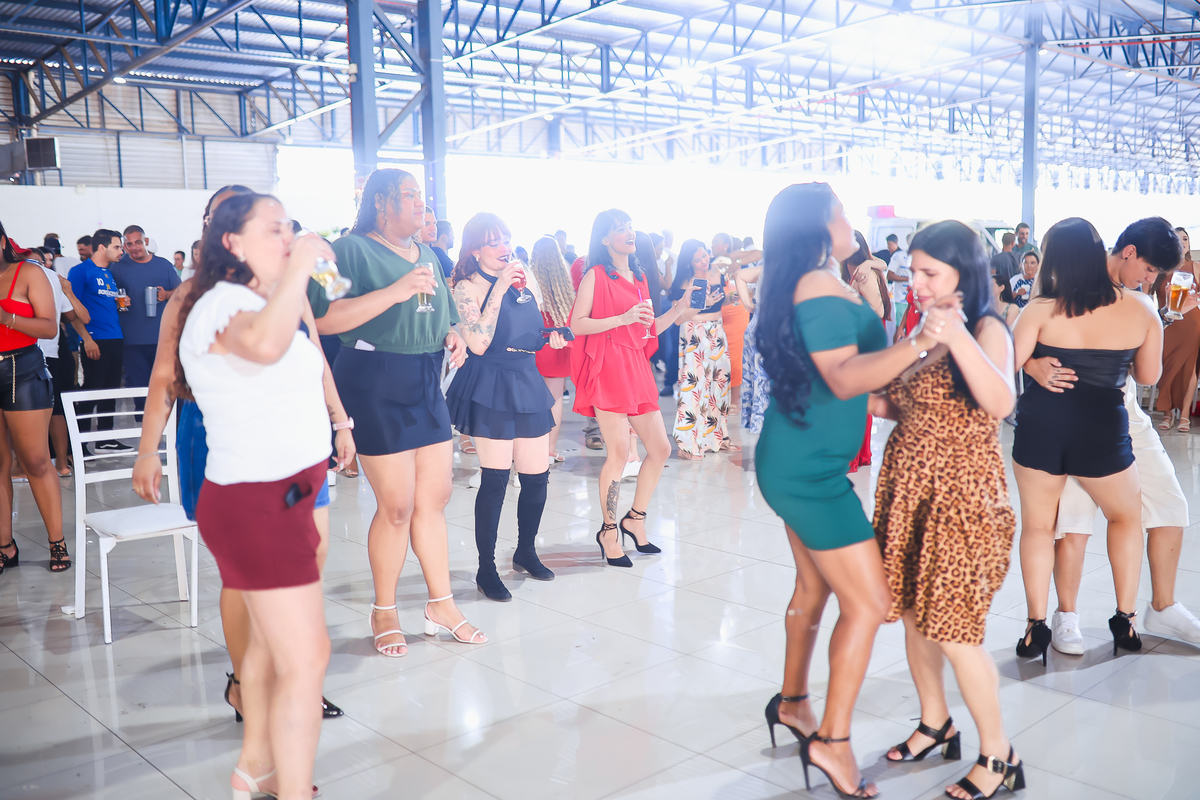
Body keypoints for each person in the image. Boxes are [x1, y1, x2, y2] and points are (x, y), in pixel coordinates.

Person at [754, 183, 950, 800]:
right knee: (869, 602)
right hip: (808, 473)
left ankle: (793, 703)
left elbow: (844, 385)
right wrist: (920, 341)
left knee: (814, 589)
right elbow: (843, 378)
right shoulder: (817, 286)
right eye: (839, 212)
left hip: (799, 456)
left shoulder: (815, 281)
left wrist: (900, 402)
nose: (848, 221)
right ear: (817, 226)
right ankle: (832, 742)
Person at [132, 184, 346, 734]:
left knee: (308, 553)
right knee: (245, 571)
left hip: (295, 436)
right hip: (217, 429)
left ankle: (288, 669)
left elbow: (316, 355)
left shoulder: (287, 285)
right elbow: (163, 375)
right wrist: (148, 450)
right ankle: (248, 683)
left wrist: (340, 419)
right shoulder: (193, 296)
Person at [872, 221, 1024, 800]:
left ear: (964, 273)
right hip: (911, 495)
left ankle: (1000, 755)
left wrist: (955, 336)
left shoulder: (985, 327)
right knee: (914, 616)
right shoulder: (925, 327)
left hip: (961, 504)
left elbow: (1001, 401)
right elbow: (906, 405)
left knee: (956, 632)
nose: (916, 282)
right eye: (913, 270)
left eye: (929, 272)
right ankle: (936, 723)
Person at [309, 168, 480, 654]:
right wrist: (396, 291)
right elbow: (323, 318)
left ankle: (441, 603)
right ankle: (384, 608)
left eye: (421, 195)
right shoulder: (344, 251)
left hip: (424, 379)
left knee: (436, 497)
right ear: (381, 202)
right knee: (397, 504)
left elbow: (442, 315)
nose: (421, 204)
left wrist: (452, 335)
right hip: (372, 378)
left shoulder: (427, 254)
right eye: (410, 195)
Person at [1025, 218, 1200, 650]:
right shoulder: (1068, 270)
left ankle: (1162, 606)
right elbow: (1025, 336)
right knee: (1074, 520)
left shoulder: (1139, 298)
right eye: (1150, 270)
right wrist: (1032, 364)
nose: (1151, 279)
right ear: (1129, 253)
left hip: (1124, 411)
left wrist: (1163, 317)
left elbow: (1141, 364)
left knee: (1170, 505)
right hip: (1071, 406)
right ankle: (1066, 616)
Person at [446, 215, 562, 601]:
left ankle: (526, 551)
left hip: (526, 378)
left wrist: (549, 338)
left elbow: (529, 332)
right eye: (493, 241)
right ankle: (486, 568)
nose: (503, 247)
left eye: (506, 239)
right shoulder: (466, 286)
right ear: (475, 250)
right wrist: (498, 287)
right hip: (490, 383)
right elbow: (478, 343)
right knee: (495, 481)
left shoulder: (522, 279)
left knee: (537, 477)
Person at [571, 209, 696, 566]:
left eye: (630, 227)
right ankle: (609, 531)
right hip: (608, 368)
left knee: (660, 448)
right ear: (605, 239)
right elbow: (578, 324)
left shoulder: (640, 276)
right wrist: (621, 319)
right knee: (619, 453)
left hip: (636, 367)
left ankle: (635, 519)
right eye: (619, 229)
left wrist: (679, 309)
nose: (629, 232)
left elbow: (648, 330)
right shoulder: (595, 274)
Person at [0, 225, 69, 576]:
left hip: (23, 370)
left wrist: (6, 317)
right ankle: (5, 546)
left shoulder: (28, 273)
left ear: (2, 242)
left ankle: (57, 541)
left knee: (36, 460)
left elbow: (49, 327)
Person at [669, 239, 735, 459]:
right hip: (695, 332)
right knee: (694, 386)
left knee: (720, 385)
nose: (704, 261)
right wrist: (702, 304)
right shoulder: (684, 281)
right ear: (689, 262)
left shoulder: (716, 271)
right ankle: (687, 443)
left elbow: (721, 301)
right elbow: (678, 317)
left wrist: (732, 296)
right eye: (698, 259)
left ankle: (717, 437)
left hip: (717, 330)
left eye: (705, 255)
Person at [113, 225, 182, 416]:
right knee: (138, 385)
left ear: (146, 241)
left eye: (138, 242)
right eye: (129, 244)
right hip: (132, 339)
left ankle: (170, 422)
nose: (134, 247)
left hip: (162, 337)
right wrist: (118, 302)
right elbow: (110, 295)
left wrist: (166, 294)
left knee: (166, 383)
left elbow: (182, 292)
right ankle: (143, 425)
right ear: (124, 246)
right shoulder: (118, 268)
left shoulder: (163, 265)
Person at [68, 229, 127, 452]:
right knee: (92, 390)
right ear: (102, 247)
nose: (121, 251)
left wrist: (122, 302)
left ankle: (105, 438)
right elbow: (72, 310)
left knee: (110, 390)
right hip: (95, 339)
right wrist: (86, 339)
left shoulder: (109, 274)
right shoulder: (80, 271)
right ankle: (79, 443)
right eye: (117, 247)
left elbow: (106, 303)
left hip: (115, 337)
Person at [33, 248, 89, 477]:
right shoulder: (45, 279)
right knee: (42, 410)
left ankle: (57, 462)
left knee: (51, 408)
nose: (43, 265)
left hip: (45, 352)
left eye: (45, 261)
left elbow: (79, 317)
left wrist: (86, 338)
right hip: (37, 352)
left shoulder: (52, 281)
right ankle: (51, 462)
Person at [528, 236, 576, 464]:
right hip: (559, 343)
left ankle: (529, 448)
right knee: (555, 399)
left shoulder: (529, 279)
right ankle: (549, 449)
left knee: (530, 399)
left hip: (536, 343)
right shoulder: (563, 280)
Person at [1154, 227, 1196, 431]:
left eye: (1185, 238)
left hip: (1192, 324)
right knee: (1167, 365)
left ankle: (1185, 415)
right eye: (1178, 239)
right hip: (1166, 324)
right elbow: (1144, 295)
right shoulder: (1159, 269)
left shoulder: (1196, 267)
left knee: (1190, 368)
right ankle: (1167, 413)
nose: (1183, 242)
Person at [711, 232, 761, 395]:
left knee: (735, 356)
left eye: (716, 242)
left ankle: (734, 399)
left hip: (736, 309)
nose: (712, 245)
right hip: (717, 310)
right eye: (712, 242)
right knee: (717, 355)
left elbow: (759, 253)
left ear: (726, 245)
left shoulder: (732, 257)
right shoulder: (709, 262)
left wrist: (737, 262)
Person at [735, 264, 769, 433]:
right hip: (773, 326)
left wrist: (748, 304)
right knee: (766, 380)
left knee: (758, 377)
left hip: (757, 323)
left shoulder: (768, 265)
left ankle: (758, 425)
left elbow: (739, 274)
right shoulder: (795, 267)